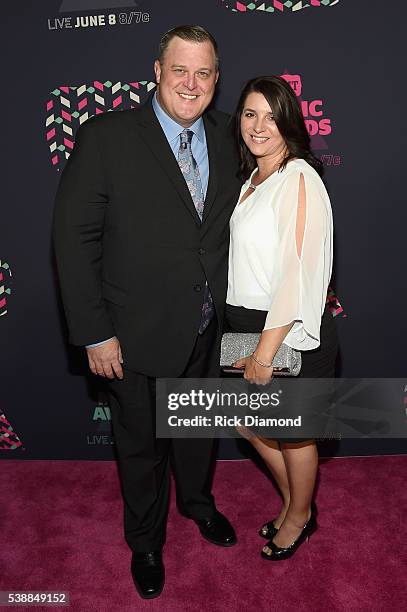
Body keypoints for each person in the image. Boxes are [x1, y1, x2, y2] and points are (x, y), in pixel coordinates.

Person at [53, 25, 240, 599]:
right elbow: (73, 240)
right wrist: (94, 333)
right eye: (179, 69)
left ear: (215, 79)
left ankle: (197, 504)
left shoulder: (231, 138)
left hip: (209, 328)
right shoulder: (106, 137)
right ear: (156, 71)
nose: (191, 83)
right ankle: (145, 542)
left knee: (197, 431)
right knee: (140, 449)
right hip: (132, 336)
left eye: (203, 72)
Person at [226, 75, 338, 560]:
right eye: (251, 114)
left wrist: (266, 351)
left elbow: (296, 270)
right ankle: (298, 503)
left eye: (271, 115)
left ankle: (298, 516)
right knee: (246, 423)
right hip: (244, 323)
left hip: (285, 329)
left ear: (289, 120)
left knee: (293, 435)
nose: (259, 126)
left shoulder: (298, 178)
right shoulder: (253, 178)